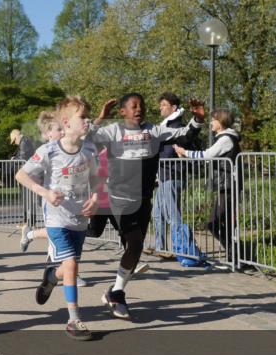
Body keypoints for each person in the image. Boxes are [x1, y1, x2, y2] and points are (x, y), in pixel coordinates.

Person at [86, 93, 205, 319]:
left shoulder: (154, 131)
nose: (138, 109)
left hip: (143, 199)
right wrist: (101, 117)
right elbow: (87, 137)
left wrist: (197, 118)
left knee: (135, 249)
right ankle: (118, 293)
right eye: (133, 106)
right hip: (119, 199)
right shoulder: (113, 131)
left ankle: (113, 291)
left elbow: (186, 135)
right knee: (135, 241)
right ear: (123, 112)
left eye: (141, 106)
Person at [15, 97, 98, 339]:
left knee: (66, 268)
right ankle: (73, 320)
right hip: (56, 218)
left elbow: (96, 180)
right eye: (82, 117)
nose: (87, 121)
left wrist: (94, 199)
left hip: (79, 218)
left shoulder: (90, 149)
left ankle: (51, 277)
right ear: (66, 122)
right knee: (72, 264)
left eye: (88, 117)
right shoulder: (49, 150)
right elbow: (21, 175)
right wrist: (46, 192)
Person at [174, 109, 241, 259]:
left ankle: (237, 254)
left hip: (230, 185)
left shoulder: (226, 139)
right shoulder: (224, 137)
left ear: (221, 121)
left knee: (215, 223)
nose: (211, 122)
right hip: (226, 185)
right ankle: (234, 255)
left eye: (213, 120)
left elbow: (207, 155)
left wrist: (185, 152)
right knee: (219, 222)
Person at [18, 111, 62, 252]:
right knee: (57, 238)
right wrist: (44, 192)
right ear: (48, 133)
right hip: (52, 201)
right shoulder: (45, 151)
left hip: (71, 200)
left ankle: (30, 234)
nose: (64, 132)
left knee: (63, 236)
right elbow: (22, 175)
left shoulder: (71, 148)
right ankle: (60, 271)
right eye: (59, 129)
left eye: (65, 128)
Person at [153, 92, 190, 254]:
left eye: (164, 105)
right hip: (164, 175)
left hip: (173, 174)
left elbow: (168, 152)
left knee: (172, 213)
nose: (160, 108)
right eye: (160, 105)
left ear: (173, 108)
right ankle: (160, 247)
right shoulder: (165, 125)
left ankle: (180, 248)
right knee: (157, 213)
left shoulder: (176, 127)